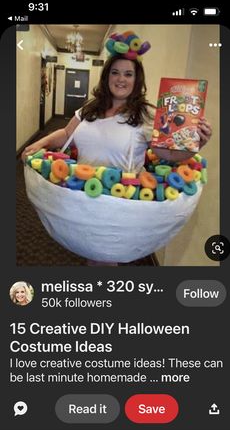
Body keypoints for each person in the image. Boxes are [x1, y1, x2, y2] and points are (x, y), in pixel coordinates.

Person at [22, 31, 212, 265]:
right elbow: (66, 133)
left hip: (117, 201)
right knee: (89, 250)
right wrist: (40, 143)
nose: (121, 79)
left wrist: (194, 146)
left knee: (106, 258)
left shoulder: (147, 114)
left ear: (137, 79)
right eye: (115, 72)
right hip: (82, 194)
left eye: (128, 74)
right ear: (106, 76)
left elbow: (167, 153)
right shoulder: (90, 108)